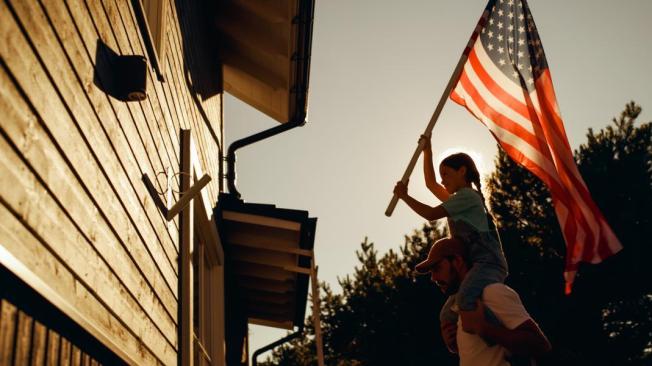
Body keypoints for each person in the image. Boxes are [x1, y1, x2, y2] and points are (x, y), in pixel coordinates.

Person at [393, 135, 508, 334]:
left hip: (488, 263)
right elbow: (430, 184)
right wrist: (427, 150)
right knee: (447, 313)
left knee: (464, 299)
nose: (442, 180)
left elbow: (430, 214)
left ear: (462, 171)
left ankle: (501, 335)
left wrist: (404, 197)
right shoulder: (460, 201)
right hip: (474, 267)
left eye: (445, 174)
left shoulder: (467, 197)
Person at [416, 237, 551, 366]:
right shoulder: (459, 307)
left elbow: (540, 345)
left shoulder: (492, 292)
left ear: (457, 261)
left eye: (437, 268)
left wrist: (484, 328)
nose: (433, 278)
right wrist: (454, 344)